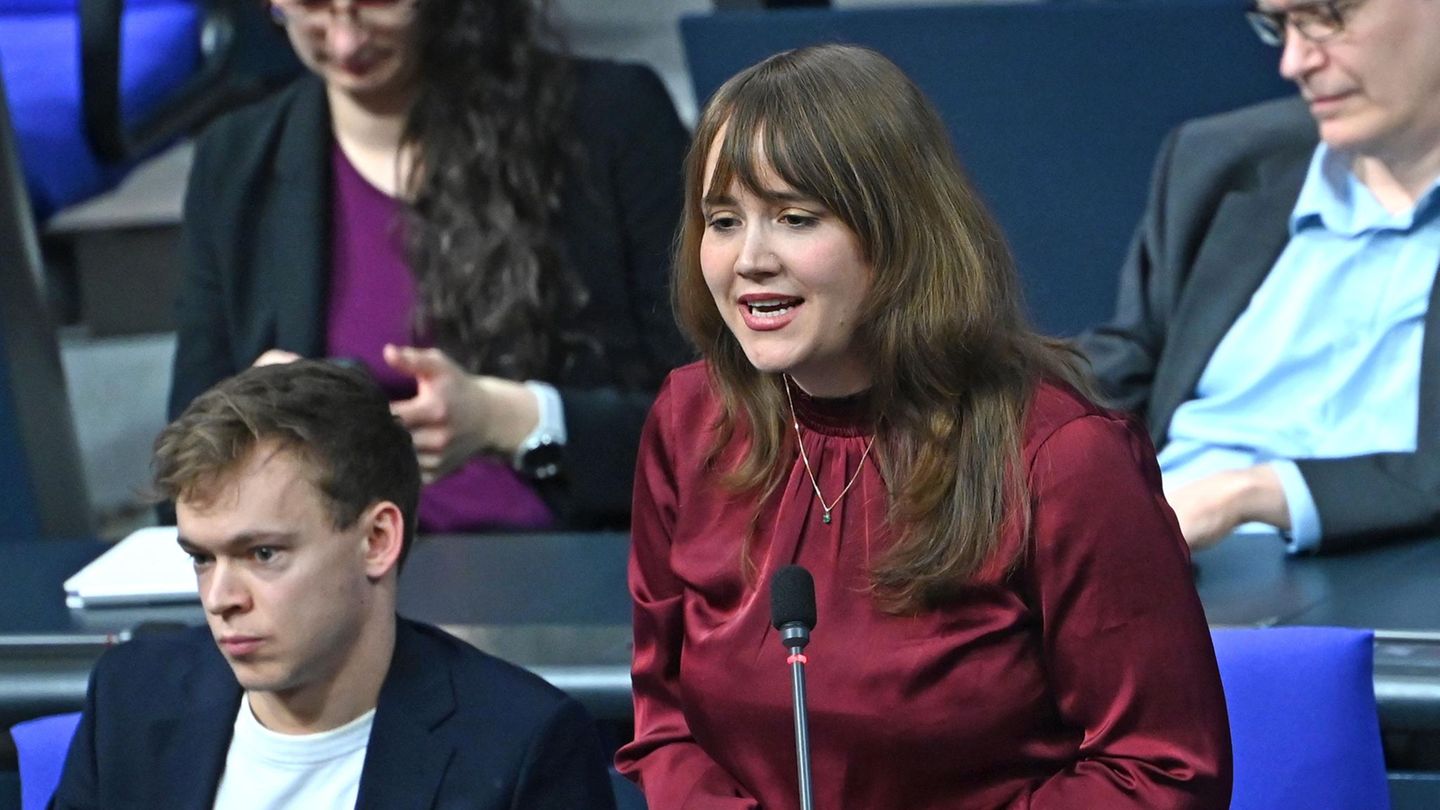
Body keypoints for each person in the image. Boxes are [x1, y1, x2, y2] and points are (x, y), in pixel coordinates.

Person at [616, 45, 1231, 809]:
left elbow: (1160, 772)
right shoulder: (691, 420)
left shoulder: (1062, 458)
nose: (749, 259)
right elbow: (664, 719)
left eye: (796, 218)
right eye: (723, 220)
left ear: (897, 233)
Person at [169, 0, 690, 532]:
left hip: (568, 557)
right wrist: (249, 423)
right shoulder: (234, 161)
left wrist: (506, 418)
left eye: (377, 3)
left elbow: (724, 421)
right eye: (311, 6)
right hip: (337, 578)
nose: (346, 42)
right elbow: (181, 473)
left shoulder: (613, 120)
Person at [52, 361, 617, 808]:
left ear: (376, 539)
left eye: (263, 553)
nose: (221, 598)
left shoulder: (520, 746)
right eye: (202, 558)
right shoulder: (130, 698)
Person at [1079, 0, 1440, 553]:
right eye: (1281, 26)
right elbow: (1123, 367)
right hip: (1156, 557)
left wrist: (1251, 495)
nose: (1294, 62)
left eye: (1326, 16)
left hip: (1376, 567)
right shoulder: (1217, 160)